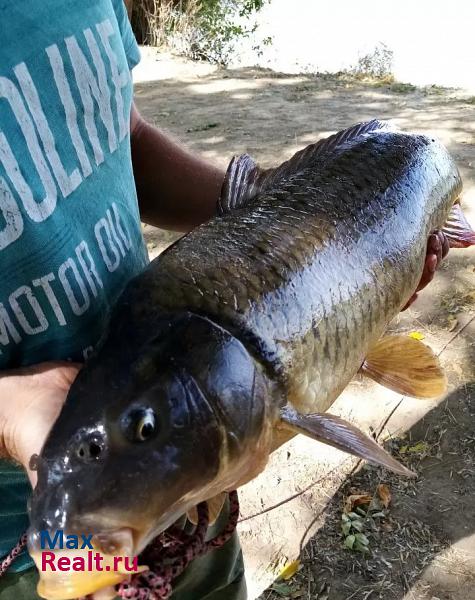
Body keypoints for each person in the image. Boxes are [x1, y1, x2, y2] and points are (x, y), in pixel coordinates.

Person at [0, 1, 448, 598]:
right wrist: (8, 412)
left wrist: (285, 224)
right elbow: (66, 563)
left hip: (175, 467)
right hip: (27, 533)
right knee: (68, 571)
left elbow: (119, 134)